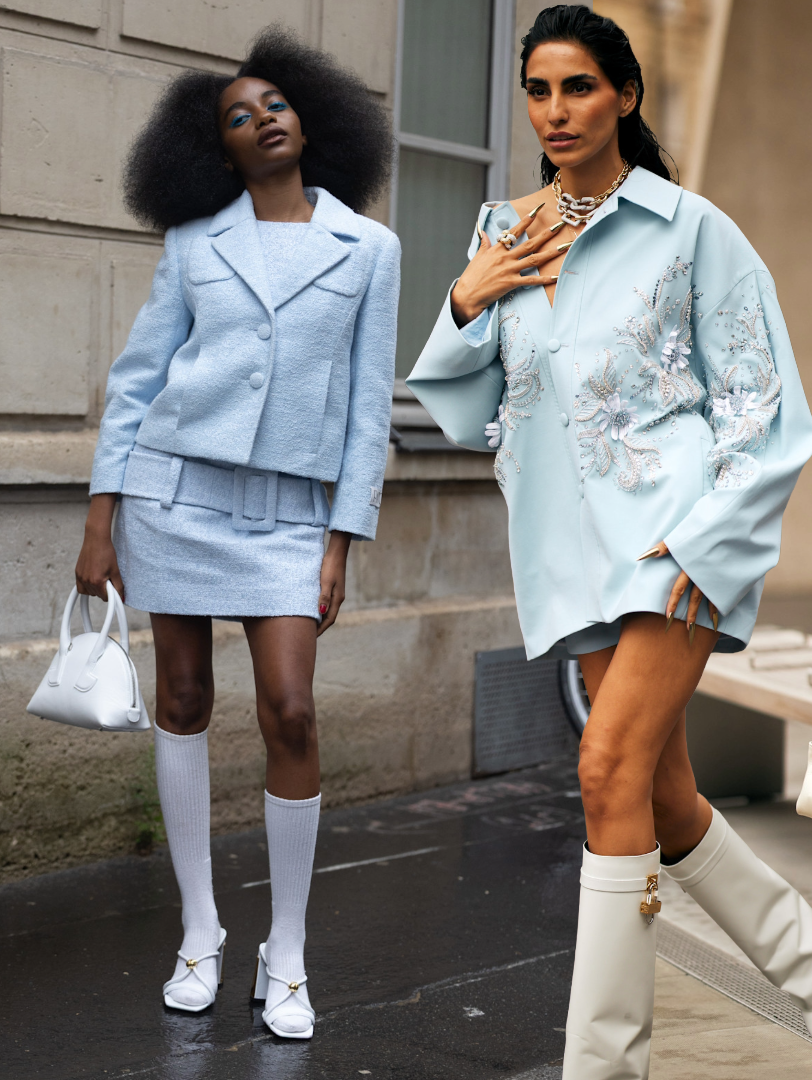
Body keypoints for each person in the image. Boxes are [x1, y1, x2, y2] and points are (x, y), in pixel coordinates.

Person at [405, 7, 812, 1077]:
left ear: (625, 97)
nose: (557, 111)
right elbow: (466, 412)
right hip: (568, 555)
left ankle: (603, 1064)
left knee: (602, 768)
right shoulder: (502, 231)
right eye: (540, 91)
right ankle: (808, 958)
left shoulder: (693, 231)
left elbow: (761, 408)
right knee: (655, 790)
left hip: (672, 543)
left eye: (580, 88)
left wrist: (709, 544)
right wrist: (467, 298)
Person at [74, 29, 399, 1040]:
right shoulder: (192, 244)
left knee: (292, 710)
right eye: (238, 115)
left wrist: (343, 539)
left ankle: (287, 948)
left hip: (292, 519)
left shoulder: (370, 249)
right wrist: (101, 520)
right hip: (174, 496)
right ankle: (201, 931)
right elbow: (137, 384)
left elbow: (366, 413)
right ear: (217, 150)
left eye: (276, 104)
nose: (263, 119)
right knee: (180, 698)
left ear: (311, 119)